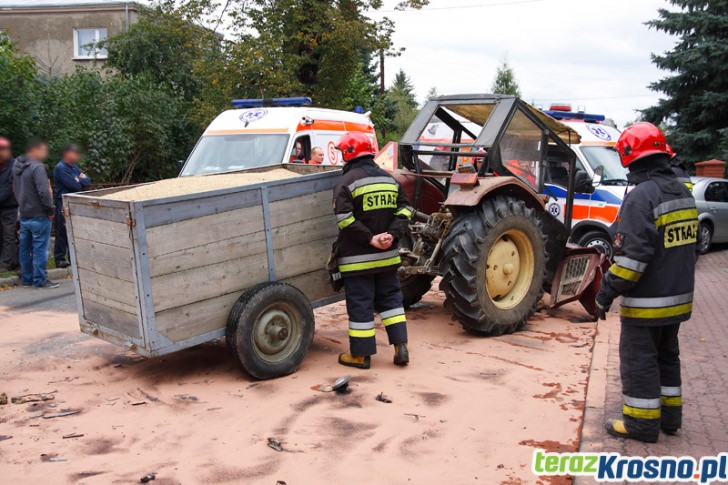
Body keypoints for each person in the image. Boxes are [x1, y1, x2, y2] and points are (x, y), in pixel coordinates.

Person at [596, 122, 697, 443]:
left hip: (647, 304)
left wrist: (605, 293)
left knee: (640, 362)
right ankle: (670, 418)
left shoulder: (642, 197)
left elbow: (630, 263)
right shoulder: (682, 193)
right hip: (678, 300)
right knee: (667, 357)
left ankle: (641, 424)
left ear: (629, 158)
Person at [333, 132, 414, 369]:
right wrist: (392, 234)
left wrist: (370, 239)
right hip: (387, 257)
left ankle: (361, 355)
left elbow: (344, 220)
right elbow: (406, 209)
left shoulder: (346, 182)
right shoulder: (389, 179)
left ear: (349, 153)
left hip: (358, 261)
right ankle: (401, 347)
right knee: (392, 301)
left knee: (361, 304)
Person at [13, 138, 58, 289]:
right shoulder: (37, 168)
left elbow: (14, 188)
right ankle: (40, 279)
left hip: (24, 212)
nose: (45, 153)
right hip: (39, 213)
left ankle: (27, 278)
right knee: (39, 248)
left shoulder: (17, 165)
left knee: (24, 247)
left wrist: (21, 203)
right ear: (35, 149)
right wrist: (50, 209)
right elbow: (44, 191)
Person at [53, 144, 91, 268]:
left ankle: (72, 256)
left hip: (74, 201)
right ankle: (59, 257)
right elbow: (74, 185)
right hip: (63, 202)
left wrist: (79, 180)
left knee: (73, 230)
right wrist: (79, 181)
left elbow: (87, 182)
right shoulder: (61, 168)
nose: (76, 156)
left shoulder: (74, 167)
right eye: (74, 153)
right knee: (62, 230)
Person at [0, 137, 19, 272]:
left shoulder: (13, 166)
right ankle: (9, 260)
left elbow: (7, 188)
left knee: (8, 235)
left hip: (9, 206)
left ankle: (7, 263)